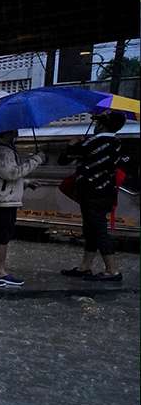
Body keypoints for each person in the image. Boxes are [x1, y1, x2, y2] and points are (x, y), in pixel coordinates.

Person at [59, 111, 130, 282]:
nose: (95, 125)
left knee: (98, 230)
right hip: (106, 192)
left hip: (91, 192)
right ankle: (85, 266)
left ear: (102, 125)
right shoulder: (117, 143)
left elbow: (64, 160)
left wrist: (72, 144)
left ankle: (112, 270)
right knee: (91, 229)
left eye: (98, 122)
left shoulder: (93, 142)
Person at [0, 131, 44, 288]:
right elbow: (11, 173)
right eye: (14, 129)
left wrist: (25, 183)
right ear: (7, 131)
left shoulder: (6, 148)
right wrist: (36, 159)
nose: (17, 132)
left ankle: (0, 271)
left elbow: (7, 177)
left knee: (3, 237)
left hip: (5, 201)